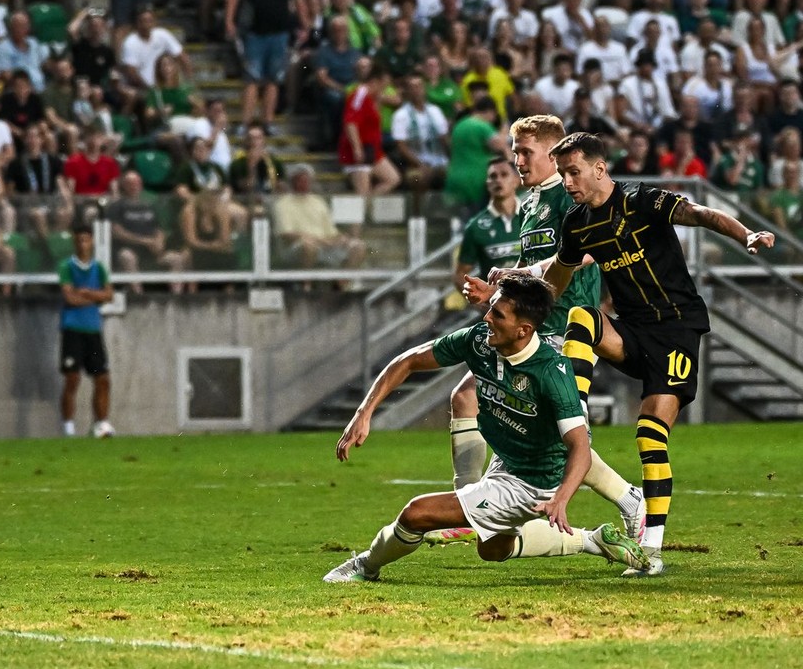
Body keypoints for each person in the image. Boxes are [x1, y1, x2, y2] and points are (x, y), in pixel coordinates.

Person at [472, 132, 777, 576]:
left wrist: (746, 233)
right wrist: (508, 296)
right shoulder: (577, 223)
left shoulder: (644, 201)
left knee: (650, 436)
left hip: (676, 330)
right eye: (563, 174)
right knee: (583, 316)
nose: (568, 182)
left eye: (573, 172)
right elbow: (556, 278)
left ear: (599, 168)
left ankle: (651, 550)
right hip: (632, 331)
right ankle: (574, 411)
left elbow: (700, 213)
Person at [323, 273, 650, 584]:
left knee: (416, 514)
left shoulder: (551, 372)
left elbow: (579, 446)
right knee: (492, 548)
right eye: (491, 309)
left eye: (498, 315)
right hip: (509, 458)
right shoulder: (482, 341)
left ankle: (364, 566)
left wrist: (562, 497)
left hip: (536, 480)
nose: (487, 319)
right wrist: (364, 412)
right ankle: (593, 540)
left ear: (523, 330)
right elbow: (409, 360)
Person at [443, 116, 640, 550]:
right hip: (535, 326)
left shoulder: (573, 199)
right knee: (466, 396)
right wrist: (498, 294)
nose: (516, 160)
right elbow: (540, 279)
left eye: (524, 151)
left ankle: (630, 499)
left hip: (568, 328)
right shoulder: (533, 202)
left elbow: (583, 255)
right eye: (514, 151)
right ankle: (468, 503)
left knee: (561, 435)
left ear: (552, 154)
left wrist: (510, 283)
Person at [58, 225, 114, 438]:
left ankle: (101, 424)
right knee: (72, 378)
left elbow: (109, 295)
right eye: (79, 240)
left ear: (92, 242)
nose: (83, 244)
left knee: (102, 378)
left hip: (93, 328)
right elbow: (69, 298)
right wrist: (95, 297)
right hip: (72, 327)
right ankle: (68, 427)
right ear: (74, 242)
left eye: (86, 240)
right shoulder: (66, 266)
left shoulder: (99, 268)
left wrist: (87, 293)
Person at [454, 157, 522, 297]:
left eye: (504, 175)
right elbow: (460, 275)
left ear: (516, 180)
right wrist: (478, 303)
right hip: (497, 304)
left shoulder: (533, 216)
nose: (498, 180)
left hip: (533, 303)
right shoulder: (476, 227)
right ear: (487, 184)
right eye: (493, 176)